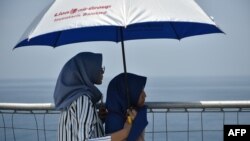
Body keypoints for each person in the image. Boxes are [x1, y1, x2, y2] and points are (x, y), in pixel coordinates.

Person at [53, 52, 106, 141]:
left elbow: (75, 129)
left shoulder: (71, 98)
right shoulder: (83, 99)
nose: (102, 72)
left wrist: (98, 120)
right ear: (88, 70)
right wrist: (124, 132)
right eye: (100, 68)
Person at [105, 73, 148, 141]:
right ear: (130, 92)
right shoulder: (115, 121)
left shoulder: (132, 114)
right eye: (140, 91)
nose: (145, 95)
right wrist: (135, 126)